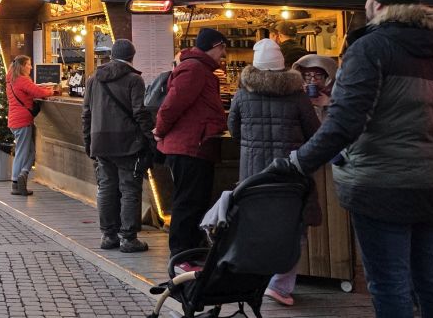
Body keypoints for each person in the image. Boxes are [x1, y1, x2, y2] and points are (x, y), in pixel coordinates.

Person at [286, 0, 433, 318]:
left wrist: (296, 163)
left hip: (380, 185)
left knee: (389, 283)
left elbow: (343, 123)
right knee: (431, 278)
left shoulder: (370, 48)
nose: (365, 5)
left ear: (379, 4)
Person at [228, 39, 322, 306]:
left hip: (253, 174)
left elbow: (234, 129)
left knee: (256, 226)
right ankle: (280, 285)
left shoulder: (242, 95)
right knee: (294, 226)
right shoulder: (298, 96)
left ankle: (256, 281)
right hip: (291, 173)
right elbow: (315, 133)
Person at [154, 27, 227, 259]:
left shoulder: (199, 68)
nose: (223, 54)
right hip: (190, 145)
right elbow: (172, 104)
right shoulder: (195, 68)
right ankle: (181, 251)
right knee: (188, 200)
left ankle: (190, 248)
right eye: (223, 49)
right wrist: (159, 130)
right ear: (216, 46)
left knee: (195, 199)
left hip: (196, 144)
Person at [81, 39, 153, 253]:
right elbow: (140, 112)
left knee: (106, 188)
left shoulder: (93, 79)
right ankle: (128, 238)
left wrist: (88, 141)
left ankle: (108, 235)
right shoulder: (134, 80)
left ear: (111, 55)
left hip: (101, 142)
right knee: (129, 189)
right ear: (132, 56)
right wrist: (150, 137)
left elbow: (86, 114)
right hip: (127, 142)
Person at [6, 55, 55, 197]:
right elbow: (38, 92)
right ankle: (16, 182)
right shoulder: (22, 80)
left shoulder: (11, 79)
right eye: (28, 64)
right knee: (22, 152)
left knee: (31, 151)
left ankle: (23, 174)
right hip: (22, 121)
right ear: (22, 66)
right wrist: (51, 91)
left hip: (16, 120)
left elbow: (32, 89)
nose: (31, 67)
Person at [292, 54, 338, 121]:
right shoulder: (296, 93)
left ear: (327, 77)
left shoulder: (339, 92)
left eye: (318, 75)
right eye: (308, 75)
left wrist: (329, 102)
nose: (313, 79)